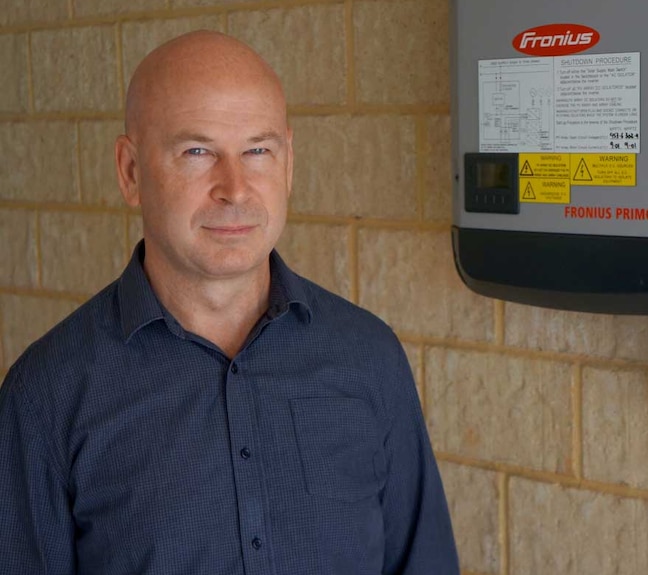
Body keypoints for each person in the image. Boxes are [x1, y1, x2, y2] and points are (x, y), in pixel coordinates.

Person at [0, 31, 459, 574]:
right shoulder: (47, 394)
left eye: (258, 150)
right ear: (130, 172)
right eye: (197, 152)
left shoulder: (368, 357)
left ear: (287, 163)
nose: (235, 188)